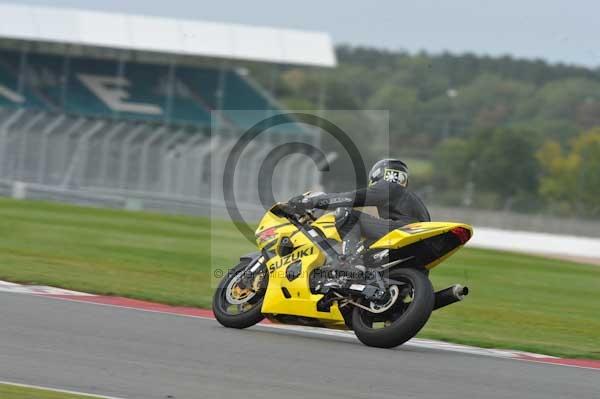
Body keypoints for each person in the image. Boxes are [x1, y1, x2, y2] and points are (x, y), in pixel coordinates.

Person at [288, 159, 431, 261]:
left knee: (346, 212)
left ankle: (348, 261)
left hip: (403, 230)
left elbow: (351, 198)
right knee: (367, 246)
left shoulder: (388, 187)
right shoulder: (412, 199)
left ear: (379, 175)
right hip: (419, 244)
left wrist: (312, 201)